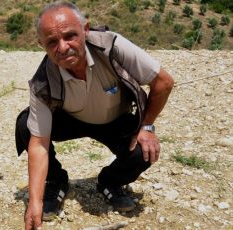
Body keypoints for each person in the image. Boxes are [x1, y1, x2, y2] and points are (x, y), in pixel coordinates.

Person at [15, 1, 174, 229]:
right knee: (26, 125)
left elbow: (163, 82)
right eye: (52, 41)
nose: (63, 47)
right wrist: (35, 201)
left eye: (70, 35)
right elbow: (39, 144)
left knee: (143, 151)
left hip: (115, 120)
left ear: (85, 29)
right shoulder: (42, 82)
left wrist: (147, 127)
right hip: (71, 119)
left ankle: (109, 182)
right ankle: (56, 181)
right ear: (42, 44)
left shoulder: (111, 46)